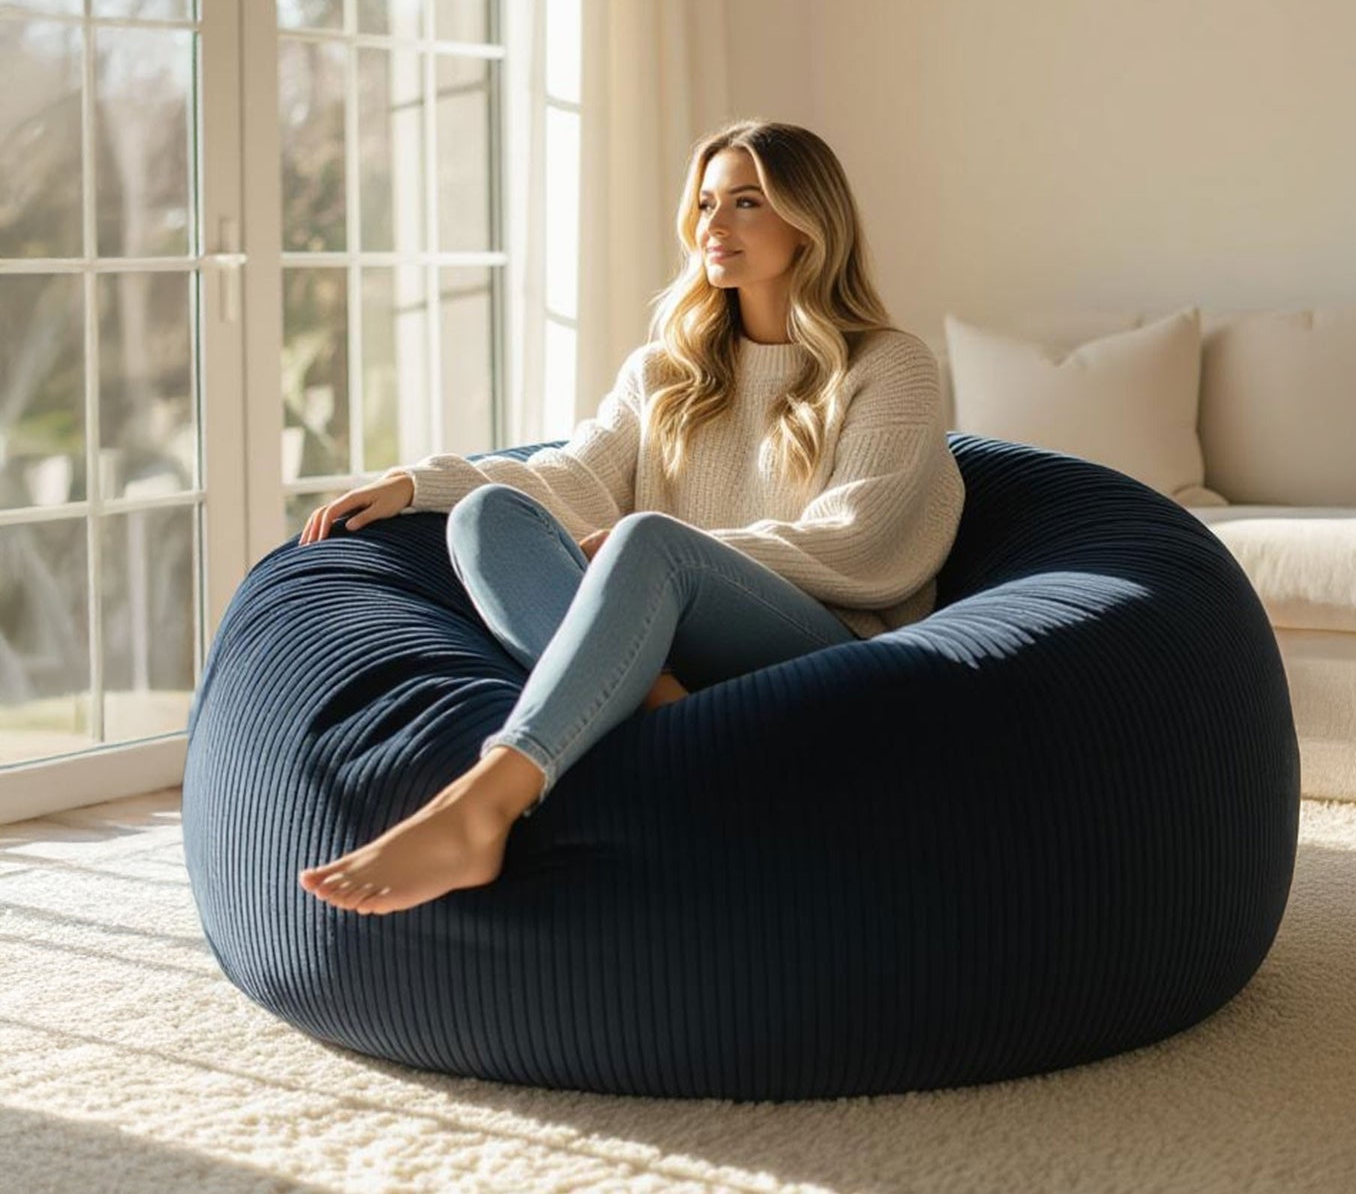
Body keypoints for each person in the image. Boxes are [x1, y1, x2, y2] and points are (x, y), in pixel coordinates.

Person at [295, 119, 966, 915]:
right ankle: (665, 717)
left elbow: (862, 538)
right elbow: (573, 478)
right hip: (668, 641)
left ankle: (484, 803)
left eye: (746, 203)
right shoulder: (665, 370)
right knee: (487, 518)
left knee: (650, 542)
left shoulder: (888, 364)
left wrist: (675, 555)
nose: (715, 226)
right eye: (707, 203)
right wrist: (421, 483)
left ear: (810, 221)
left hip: (820, 644)